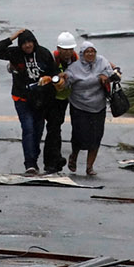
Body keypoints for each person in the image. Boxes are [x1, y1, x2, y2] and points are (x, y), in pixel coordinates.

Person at [0, 28, 58, 173]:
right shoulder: (15, 53)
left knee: (38, 130)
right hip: (21, 98)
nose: (27, 46)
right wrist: (12, 37)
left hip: (41, 99)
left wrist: (48, 79)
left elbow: (54, 73)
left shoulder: (44, 53)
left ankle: (34, 156)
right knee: (28, 128)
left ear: (34, 42)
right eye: (24, 43)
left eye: (30, 42)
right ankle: (30, 164)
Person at [61, 40, 117, 176]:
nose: (90, 54)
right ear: (82, 54)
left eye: (93, 51)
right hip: (79, 106)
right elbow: (65, 84)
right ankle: (74, 156)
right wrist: (61, 79)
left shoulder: (102, 62)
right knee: (79, 136)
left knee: (96, 137)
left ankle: (89, 167)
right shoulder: (74, 68)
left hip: (99, 106)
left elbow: (115, 75)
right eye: (87, 52)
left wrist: (107, 77)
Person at [40, 32, 80, 173]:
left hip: (68, 98)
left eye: (70, 49)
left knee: (61, 128)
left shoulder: (76, 59)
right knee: (53, 129)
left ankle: (57, 158)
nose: (68, 52)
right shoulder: (51, 58)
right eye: (65, 49)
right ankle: (50, 162)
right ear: (58, 48)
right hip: (53, 99)